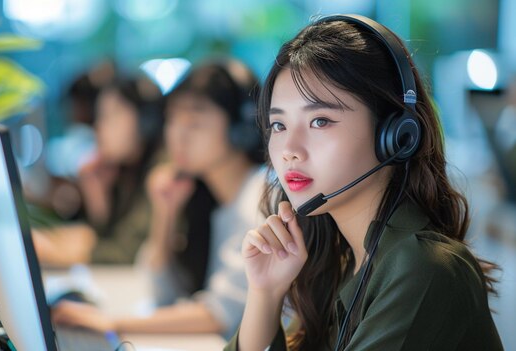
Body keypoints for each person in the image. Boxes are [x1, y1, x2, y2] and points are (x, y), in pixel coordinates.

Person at [226, 15, 503, 351]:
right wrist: (265, 293)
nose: (290, 152)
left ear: (396, 135)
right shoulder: (339, 261)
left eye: (320, 120)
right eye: (279, 125)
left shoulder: (423, 268)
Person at [52, 59, 267, 339]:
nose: (178, 134)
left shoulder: (257, 197)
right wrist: (165, 214)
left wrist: (113, 322)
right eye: (173, 119)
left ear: (242, 128)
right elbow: (162, 292)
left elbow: (219, 314)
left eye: (195, 121)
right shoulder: (205, 197)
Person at [33, 73, 164, 266]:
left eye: (110, 116)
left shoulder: (160, 171)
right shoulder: (124, 169)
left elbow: (127, 254)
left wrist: (50, 252)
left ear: (145, 121)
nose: (99, 127)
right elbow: (105, 237)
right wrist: (96, 195)